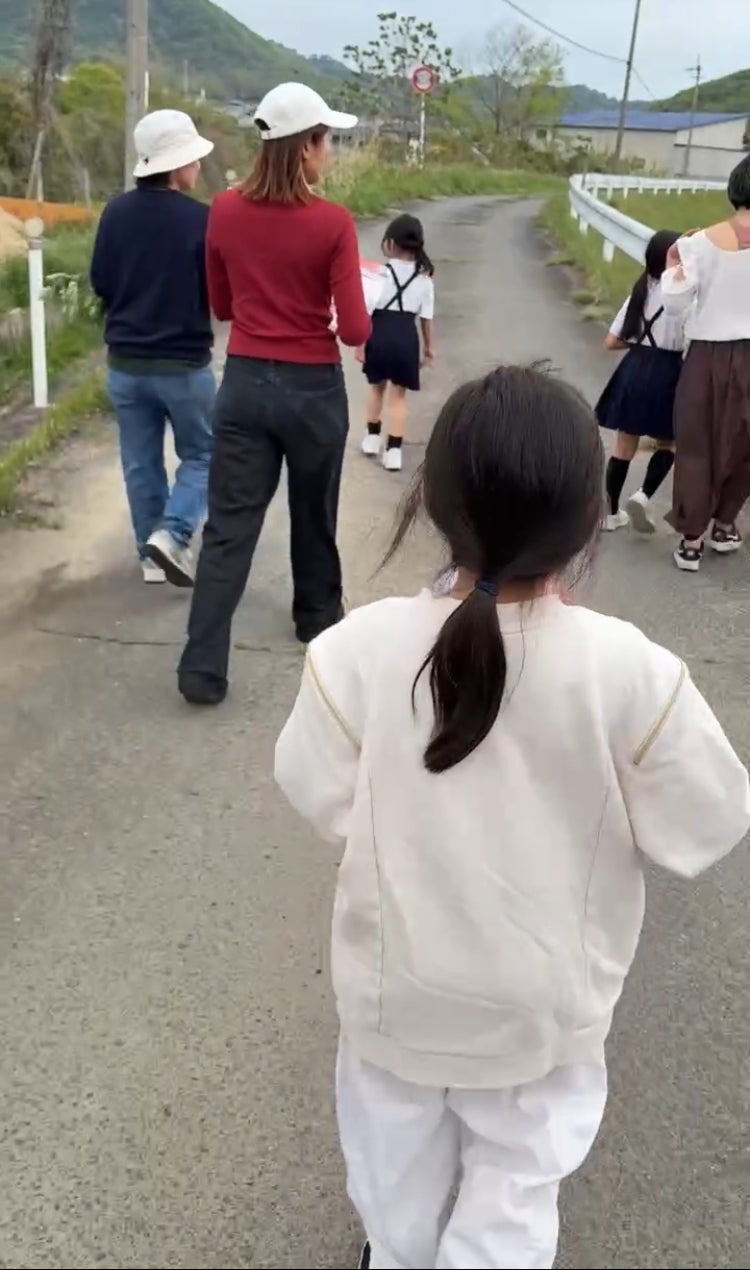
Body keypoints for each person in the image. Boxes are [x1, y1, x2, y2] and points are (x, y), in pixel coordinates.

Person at [274, 364, 749, 1270]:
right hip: (544, 1012)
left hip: (397, 996)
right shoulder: (632, 672)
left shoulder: (353, 652)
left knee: (393, 1183)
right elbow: (709, 819)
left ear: (432, 502)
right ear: (585, 520)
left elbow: (320, 793)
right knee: (514, 1196)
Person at [178, 82, 371, 707]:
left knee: (229, 528)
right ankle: (316, 618)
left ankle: (201, 668)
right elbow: (356, 329)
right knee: (314, 513)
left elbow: (223, 305)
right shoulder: (333, 222)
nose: (330, 151)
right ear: (306, 146)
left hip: (243, 384)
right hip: (313, 388)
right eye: (327, 140)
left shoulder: (224, 210)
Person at [90, 109, 216, 586]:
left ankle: (150, 556)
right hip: (184, 363)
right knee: (205, 454)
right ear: (178, 165)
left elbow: (101, 280)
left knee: (140, 462)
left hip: (125, 362)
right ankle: (174, 533)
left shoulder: (115, 213)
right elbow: (217, 289)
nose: (198, 166)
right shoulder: (201, 219)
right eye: (193, 159)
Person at [661, 155, 750, 571]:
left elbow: (674, 306)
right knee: (745, 446)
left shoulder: (697, 243)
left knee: (697, 446)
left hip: (706, 355)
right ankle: (725, 525)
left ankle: (691, 541)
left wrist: (672, 266)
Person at [596, 230, 686, 533]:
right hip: (670, 370)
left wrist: (640, 344)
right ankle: (644, 494)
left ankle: (609, 514)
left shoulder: (640, 289)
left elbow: (611, 341)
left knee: (624, 444)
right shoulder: (683, 293)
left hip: (634, 368)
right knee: (669, 442)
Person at [360, 214, 435, 472]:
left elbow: (366, 310)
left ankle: (372, 438)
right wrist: (429, 349)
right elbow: (426, 318)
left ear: (390, 243)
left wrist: (360, 345)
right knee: (399, 397)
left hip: (378, 335)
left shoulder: (379, 273)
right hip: (406, 338)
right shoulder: (425, 279)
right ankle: (394, 451)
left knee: (376, 388)